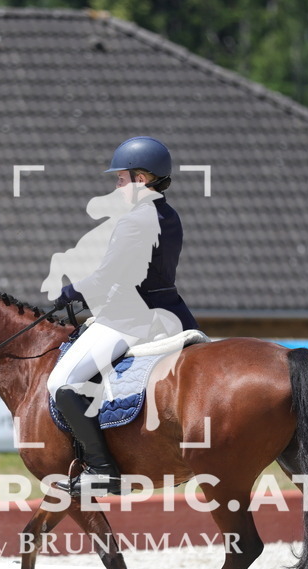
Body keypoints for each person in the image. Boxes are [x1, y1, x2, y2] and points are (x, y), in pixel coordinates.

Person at [44, 136, 199, 497]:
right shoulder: (169, 214)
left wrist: (69, 292)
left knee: (61, 383)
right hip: (171, 312)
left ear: (141, 179)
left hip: (132, 318)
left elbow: (107, 276)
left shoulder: (134, 221)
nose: (116, 185)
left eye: (120, 178)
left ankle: (102, 469)